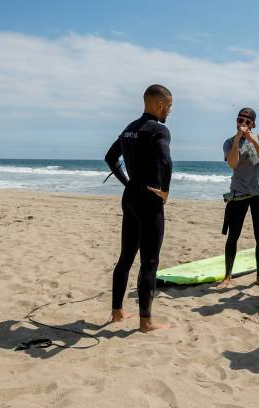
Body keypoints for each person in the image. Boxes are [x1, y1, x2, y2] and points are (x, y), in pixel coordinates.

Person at [104, 84, 173, 333]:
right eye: (170, 106)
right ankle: (146, 322)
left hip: (130, 198)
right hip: (149, 201)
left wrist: (128, 182)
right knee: (149, 262)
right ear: (160, 105)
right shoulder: (159, 130)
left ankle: (117, 312)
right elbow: (166, 161)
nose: (170, 111)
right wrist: (165, 190)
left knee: (125, 258)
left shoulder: (129, 129)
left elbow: (110, 158)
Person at [217, 107, 259, 289]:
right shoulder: (229, 142)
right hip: (238, 194)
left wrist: (253, 141)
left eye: (247, 121)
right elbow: (232, 164)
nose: (243, 124)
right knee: (233, 236)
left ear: (253, 124)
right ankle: (227, 276)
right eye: (240, 120)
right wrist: (238, 141)